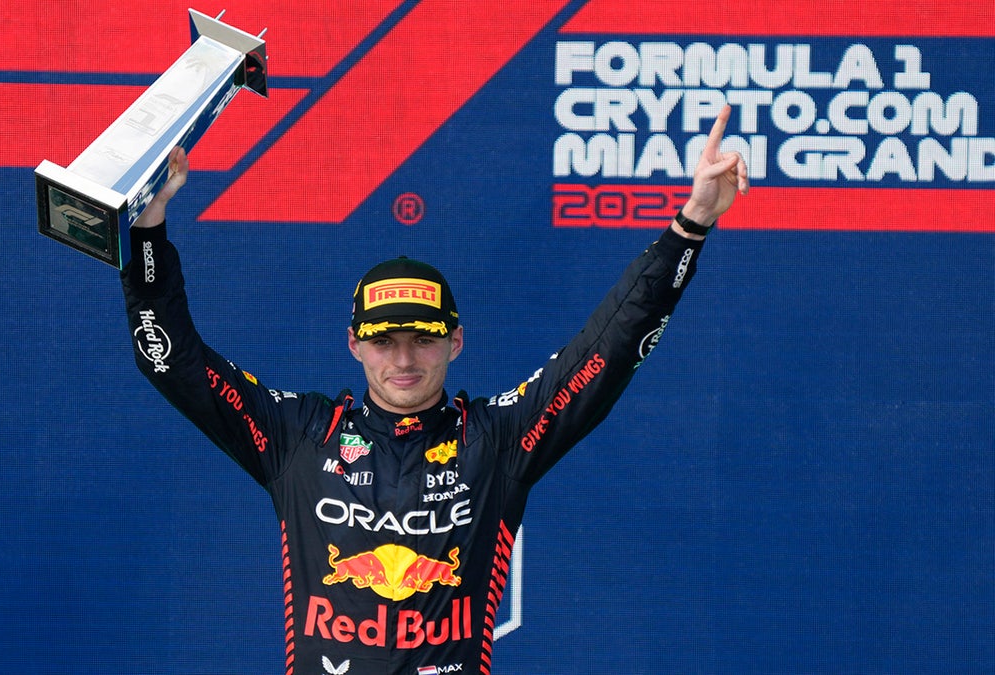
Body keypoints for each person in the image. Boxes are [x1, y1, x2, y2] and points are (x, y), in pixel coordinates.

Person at [122, 105, 748, 674]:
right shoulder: (300, 435)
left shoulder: (496, 439)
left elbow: (606, 349)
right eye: (384, 341)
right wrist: (149, 229)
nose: (403, 360)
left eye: (422, 339)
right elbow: (170, 360)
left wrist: (689, 225)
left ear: (455, 342)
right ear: (353, 345)